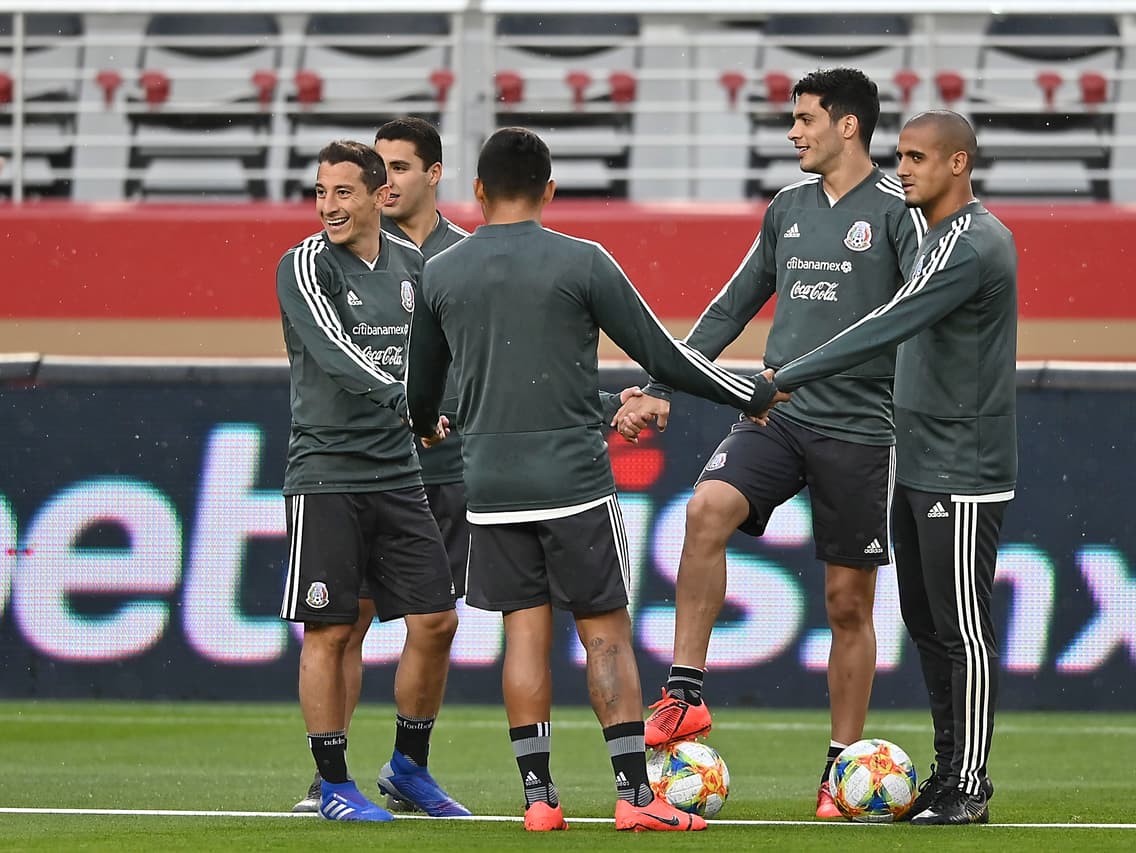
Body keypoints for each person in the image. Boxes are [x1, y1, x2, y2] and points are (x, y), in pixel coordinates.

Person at [405, 127, 786, 832]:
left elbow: (423, 391)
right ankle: (635, 795)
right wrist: (752, 395)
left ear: (479, 192)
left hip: (489, 483)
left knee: (525, 636)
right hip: (574, 481)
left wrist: (429, 423)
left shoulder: (441, 273)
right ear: (550, 190)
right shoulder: (582, 261)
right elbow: (666, 359)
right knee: (604, 635)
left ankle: (538, 798)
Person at [617, 67, 925, 818]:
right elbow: (732, 304)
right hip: (777, 416)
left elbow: (919, 315)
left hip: (861, 431)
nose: (793, 131)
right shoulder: (786, 208)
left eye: (805, 118)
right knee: (704, 510)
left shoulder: (896, 214)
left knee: (848, 604)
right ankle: (685, 691)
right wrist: (662, 382)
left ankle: (837, 770)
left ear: (848, 125)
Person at [770, 110, 1019, 825]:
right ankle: (948, 771)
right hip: (920, 460)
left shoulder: (970, 243)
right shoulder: (938, 237)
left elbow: (891, 318)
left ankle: (969, 781)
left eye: (917, 157)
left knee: (963, 627)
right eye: (901, 155)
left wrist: (789, 376)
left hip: (962, 467)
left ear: (958, 165)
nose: (902, 167)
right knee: (929, 624)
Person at [275, 140, 464, 822]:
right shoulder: (303, 264)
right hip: (327, 474)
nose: (329, 205)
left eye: (343, 192)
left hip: (400, 473)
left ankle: (408, 767)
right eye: (321, 192)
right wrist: (406, 401)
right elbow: (332, 347)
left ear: (379, 196)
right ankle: (330, 782)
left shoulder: (416, 265)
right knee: (329, 629)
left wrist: (443, 407)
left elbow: (450, 357)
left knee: (438, 619)